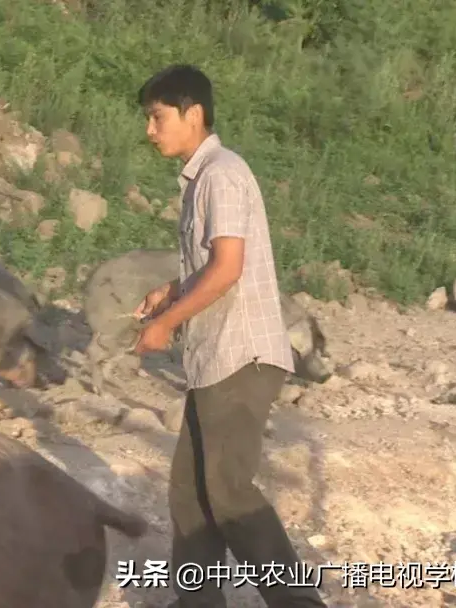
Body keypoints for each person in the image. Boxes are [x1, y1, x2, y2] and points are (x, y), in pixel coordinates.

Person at [131, 64, 327, 607]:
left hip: (240, 355)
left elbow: (227, 269)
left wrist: (166, 325)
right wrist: (171, 292)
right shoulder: (204, 177)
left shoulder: (222, 173)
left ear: (193, 114)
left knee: (228, 491)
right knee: (190, 496)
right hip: (216, 357)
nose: (150, 130)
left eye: (157, 117)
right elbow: (213, 261)